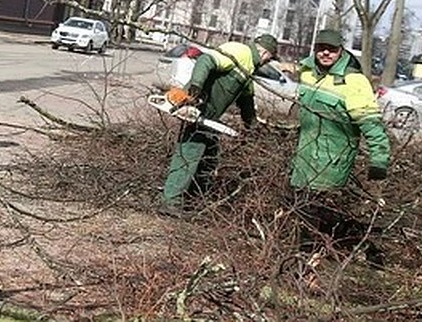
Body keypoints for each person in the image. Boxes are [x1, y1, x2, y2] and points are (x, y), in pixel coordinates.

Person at [290, 29, 391, 262]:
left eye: (332, 49)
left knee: (311, 212)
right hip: (304, 156)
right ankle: (316, 255)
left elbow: (372, 125)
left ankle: (306, 263)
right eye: (321, 48)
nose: (325, 53)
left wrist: (379, 160)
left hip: (331, 160)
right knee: (304, 208)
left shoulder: (353, 81)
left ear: (341, 50)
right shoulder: (307, 73)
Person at [158, 33, 279, 215]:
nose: (268, 62)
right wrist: (196, 87)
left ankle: (193, 200)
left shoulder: (249, 69)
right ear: (265, 53)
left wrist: (253, 129)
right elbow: (206, 60)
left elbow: (246, 103)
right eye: (270, 58)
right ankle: (171, 201)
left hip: (211, 118)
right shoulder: (240, 51)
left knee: (209, 157)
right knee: (190, 152)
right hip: (198, 109)